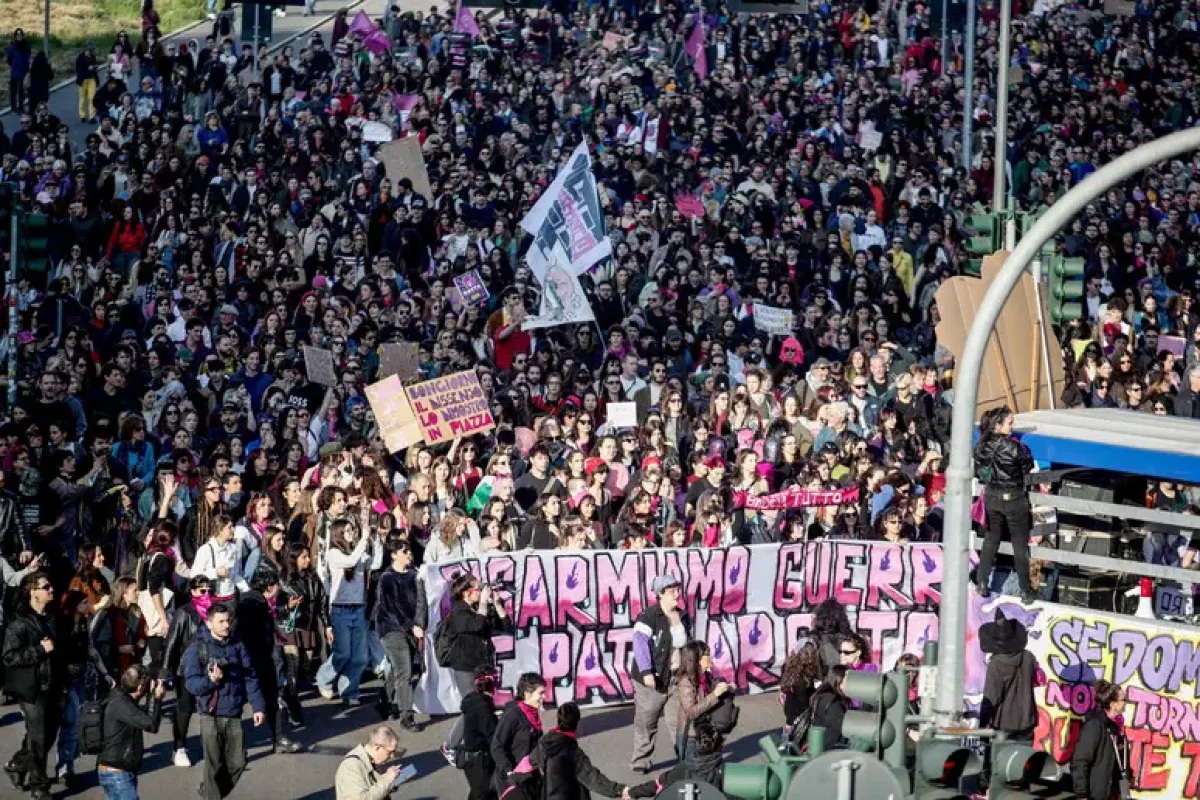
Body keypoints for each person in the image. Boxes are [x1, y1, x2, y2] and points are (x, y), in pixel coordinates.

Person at [182, 602, 266, 800]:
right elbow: (191, 684)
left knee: (238, 762)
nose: (226, 625)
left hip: (234, 713)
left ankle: (210, 792)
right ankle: (213, 796)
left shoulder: (237, 645)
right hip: (210, 715)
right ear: (209, 623)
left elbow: (250, 677)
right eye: (221, 622)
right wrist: (211, 681)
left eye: (228, 621)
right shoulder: (198, 648)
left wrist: (258, 707)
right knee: (213, 765)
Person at [2, 571, 63, 800]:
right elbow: (8, 657)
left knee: (45, 738)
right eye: (45, 587)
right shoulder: (19, 624)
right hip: (32, 689)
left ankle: (16, 766)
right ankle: (39, 786)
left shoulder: (53, 617)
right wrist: (38, 650)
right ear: (32, 593)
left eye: (50, 586)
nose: (51, 590)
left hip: (54, 685)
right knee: (37, 738)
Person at [439, 572, 511, 763]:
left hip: (482, 667)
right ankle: (449, 746)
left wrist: (496, 604)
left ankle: (482, 741)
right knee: (472, 708)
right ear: (466, 593)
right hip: (465, 667)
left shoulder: (478, 610)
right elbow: (477, 625)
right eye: (478, 589)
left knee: (484, 706)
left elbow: (505, 626)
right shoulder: (458, 612)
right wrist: (484, 605)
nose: (481, 592)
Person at [973, 406, 1036, 604]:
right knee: (1020, 545)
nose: (1013, 426)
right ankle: (1025, 590)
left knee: (991, 539)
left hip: (992, 497)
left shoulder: (981, 445)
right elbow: (1028, 464)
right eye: (1010, 423)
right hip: (1015, 498)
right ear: (998, 425)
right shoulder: (1014, 446)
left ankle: (982, 581)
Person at [235, 571, 302, 754]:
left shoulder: (257, 602)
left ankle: (277, 737)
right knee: (264, 697)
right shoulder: (253, 604)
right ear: (270, 587)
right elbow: (252, 633)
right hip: (255, 658)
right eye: (277, 585)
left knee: (270, 697)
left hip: (257, 657)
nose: (279, 588)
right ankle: (273, 739)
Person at [629, 574, 689, 773]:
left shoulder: (683, 616)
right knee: (647, 720)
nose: (677, 594)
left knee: (679, 722)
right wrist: (647, 671)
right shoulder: (648, 616)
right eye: (671, 591)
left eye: (678, 589)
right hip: (652, 680)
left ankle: (685, 758)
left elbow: (687, 647)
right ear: (660, 594)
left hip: (676, 678)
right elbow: (640, 645)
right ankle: (641, 760)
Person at [373, 536, 426, 729]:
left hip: (410, 627)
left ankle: (385, 699)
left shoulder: (413, 574)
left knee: (398, 668)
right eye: (404, 552)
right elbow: (391, 608)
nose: (409, 555)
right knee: (405, 670)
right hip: (391, 628)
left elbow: (420, 601)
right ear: (394, 555)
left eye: (409, 551)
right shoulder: (387, 578)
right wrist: (411, 626)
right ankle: (407, 715)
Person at [533, 701, 634, 800]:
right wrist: (620, 790)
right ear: (577, 722)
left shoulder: (543, 742)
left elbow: (530, 764)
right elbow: (593, 779)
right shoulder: (573, 752)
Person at [96, 665, 165, 800]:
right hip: (117, 775)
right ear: (140, 688)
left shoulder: (119, 696)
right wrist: (156, 698)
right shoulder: (123, 704)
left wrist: (151, 694)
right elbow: (151, 725)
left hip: (114, 771)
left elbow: (142, 717)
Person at [163, 575, 211, 768]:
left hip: (209, 665)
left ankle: (211, 744)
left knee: (209, 706)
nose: (206, 594)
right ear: (192, 591)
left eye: (209, 590)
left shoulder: (214, 612)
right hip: (187, 666)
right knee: (185, 707)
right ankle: (179, 747)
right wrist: (165, 671)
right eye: (202, 590)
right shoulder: (184, 613)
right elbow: (172, 642)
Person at [978, 610, 1039, 742]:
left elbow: (991, 698)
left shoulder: (997, 664)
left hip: (1004, 727)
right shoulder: (1028, 657)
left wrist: (982, 728)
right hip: (1027, 722)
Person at [1071, 680, 1131, 800]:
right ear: (1113, 703)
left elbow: (1118, 759)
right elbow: (1080, 760)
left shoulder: (1116, 727)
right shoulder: (1095, 726)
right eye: (1123, 700)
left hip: (1114, 792)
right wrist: (1081, 794)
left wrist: (1127, 776)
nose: (1126, 703)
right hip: (1096, 794)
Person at [491, 672, 546, 800]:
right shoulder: (513, 715)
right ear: (527, 693)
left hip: (530, 775)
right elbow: (496, 746)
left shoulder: (532, 713)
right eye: (541, 693)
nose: (544, 697)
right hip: (512, 778)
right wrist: (509, 771)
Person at [673, 641, 730, 760]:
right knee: (692, 773)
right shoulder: (685, 682)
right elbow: (691, 712)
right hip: (691, 735)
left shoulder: (705, 677)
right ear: (695, 659)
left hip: (706, 731)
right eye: (707, 657)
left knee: (708, 768)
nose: (710, 661)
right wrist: (715, 694)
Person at [458, 666, 500, 800]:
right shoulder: (483, 706)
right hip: (480, 761)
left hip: (473, 759)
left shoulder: (474, 702)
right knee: (484, 794)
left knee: (478, 793)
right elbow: (493, 736)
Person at [334, 725, 406, 800]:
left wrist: (391, 780)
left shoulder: (371, 760)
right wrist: (388, 779)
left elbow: (374, 787)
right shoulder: (351, 766)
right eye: (390, 751)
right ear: (377, 748)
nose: (392, 756)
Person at [809, 665, 851, 747]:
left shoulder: (823, 695)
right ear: (839, 681)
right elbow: (844, 727)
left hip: (824, 747)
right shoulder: (832, 702)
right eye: (849, 680)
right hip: (829, 751)